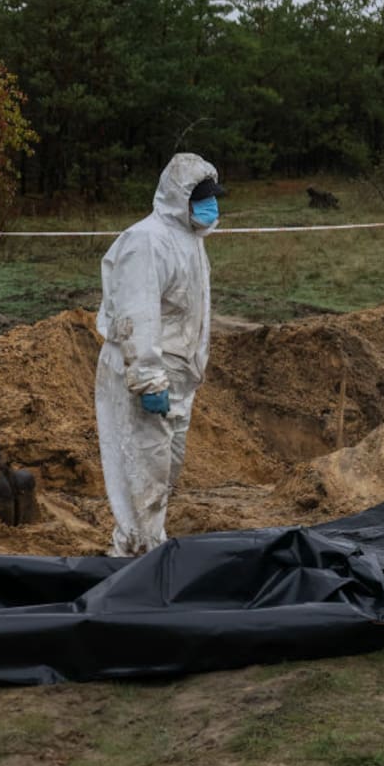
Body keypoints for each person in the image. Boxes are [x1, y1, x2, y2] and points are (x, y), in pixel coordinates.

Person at [94, 152, 224, 557]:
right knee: (141, 475)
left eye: (214, 197)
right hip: (148, 379)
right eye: (203, 198)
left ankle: (148, 546)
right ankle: (133, 557)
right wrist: (148, 378)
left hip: (178, 381)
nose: (213, 206)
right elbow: (138, 313)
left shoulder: (189, 240)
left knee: (161, 474)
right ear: (178, 197)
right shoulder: (147, 241)